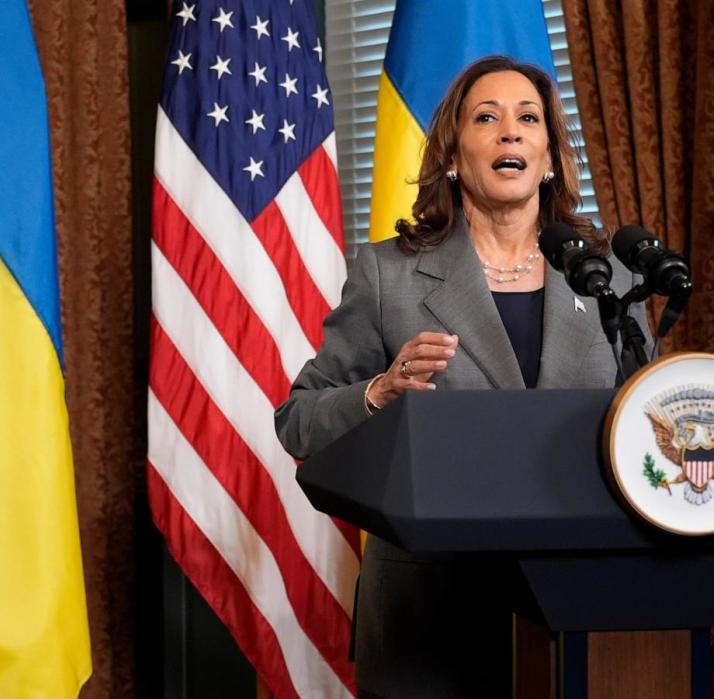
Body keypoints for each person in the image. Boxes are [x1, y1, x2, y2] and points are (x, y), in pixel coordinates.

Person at [274, 55, 649, 697]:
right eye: (487, 118)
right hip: (429, 612)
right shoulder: (389, 274)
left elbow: (645, 428)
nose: (511, 132)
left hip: (585, 607)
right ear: (452, 154)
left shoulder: (606, 278)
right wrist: (379, 392)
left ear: (551, 155)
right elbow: (298, 421)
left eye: (529, 119)